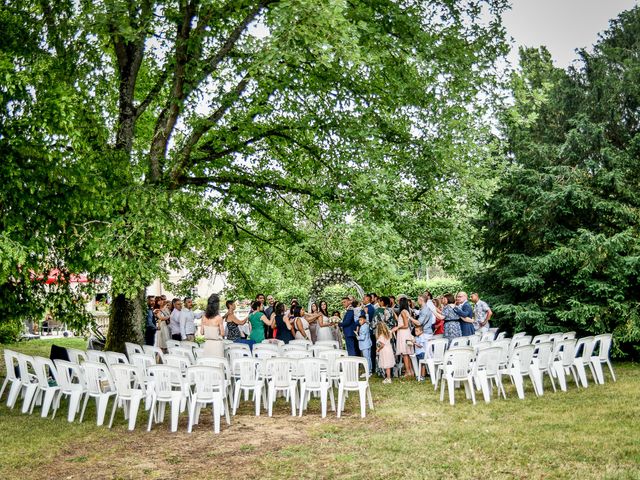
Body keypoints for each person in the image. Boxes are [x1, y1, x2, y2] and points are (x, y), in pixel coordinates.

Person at [392, 297, 414, 378]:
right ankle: (411, 371)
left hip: (403, 333)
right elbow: (401, 321)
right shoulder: (406, 311)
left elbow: (405, 325)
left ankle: (408, 372)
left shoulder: (403, 312)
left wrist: (398, 327)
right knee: (406, 353)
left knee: (405, 353)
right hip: (405, 333)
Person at [363, 293, 377, 372]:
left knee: (370, 350)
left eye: (364, 299)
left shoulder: (369, 308)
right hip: (370, 331)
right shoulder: (369, 307)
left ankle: (371, 367)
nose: (363, 300)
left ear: (368, 299)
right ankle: (371, 367)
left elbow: (368, 320)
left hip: (369, 331)